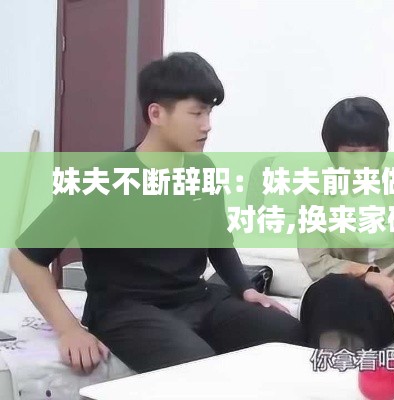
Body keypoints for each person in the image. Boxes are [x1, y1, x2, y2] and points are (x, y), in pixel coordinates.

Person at [9, 52, 305, 374]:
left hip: (196, 299)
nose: (207, 126)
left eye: (209, 113)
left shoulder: (202, 171)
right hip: (126, 311)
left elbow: (218, 241)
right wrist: (69, 329)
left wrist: (245, 289)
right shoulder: (102, 180)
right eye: (196, 113)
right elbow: (25, 258)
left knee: (288, 334)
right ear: (156, 113)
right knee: (196, 366)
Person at [298, 97, 394, 360]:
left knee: (344, 302)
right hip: (335, 292)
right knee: (338, 292)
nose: (363, 162)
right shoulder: (313, 189)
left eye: (372, 151)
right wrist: (372, 278)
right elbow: (316, 260)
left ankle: (335, 372)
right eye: (351, 153)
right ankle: (337, 373)